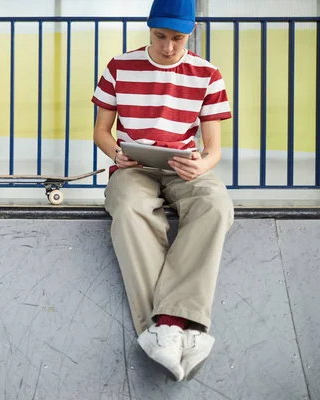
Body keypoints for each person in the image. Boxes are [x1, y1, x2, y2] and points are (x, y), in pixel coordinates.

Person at [91, 0, 234, 382]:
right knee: (129, 207)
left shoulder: (207, 73)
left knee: (216, 205)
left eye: (177, 38)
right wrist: (117, 153)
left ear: (189, 33)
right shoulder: (119, 67)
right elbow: (101, 132)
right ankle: (176, 327)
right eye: (160, 36)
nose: (168, 46)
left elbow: (214, 149)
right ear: (149, 28)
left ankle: (164, 325)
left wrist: (202, 165)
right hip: (133, 167)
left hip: (184, 167)